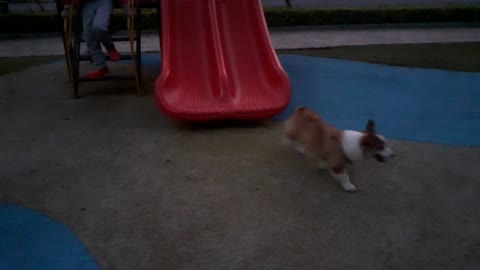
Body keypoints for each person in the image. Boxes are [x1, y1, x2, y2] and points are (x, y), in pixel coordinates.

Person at [62, 0, 133, 79]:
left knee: (99, 28)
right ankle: (102, 67)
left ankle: (110, 47)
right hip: (87, 4)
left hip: (104, 2)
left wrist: (126, 7)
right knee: (89, 37)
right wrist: (67, 9)